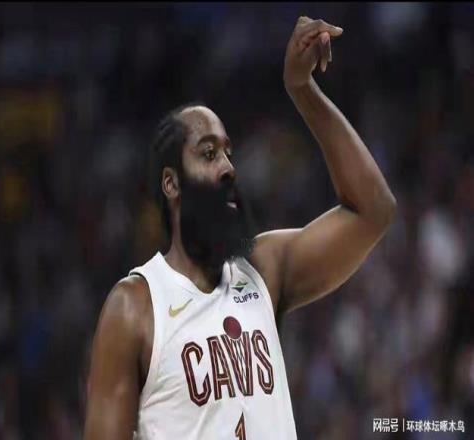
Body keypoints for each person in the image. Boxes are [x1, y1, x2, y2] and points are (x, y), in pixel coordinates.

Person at [84, 16, 397, 440]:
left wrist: (303, 90)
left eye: (228, 153)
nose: (229, 167)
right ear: (171, 184)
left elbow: (373, 211)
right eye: (208, 153)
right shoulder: (135, 307)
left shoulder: (262, 269)